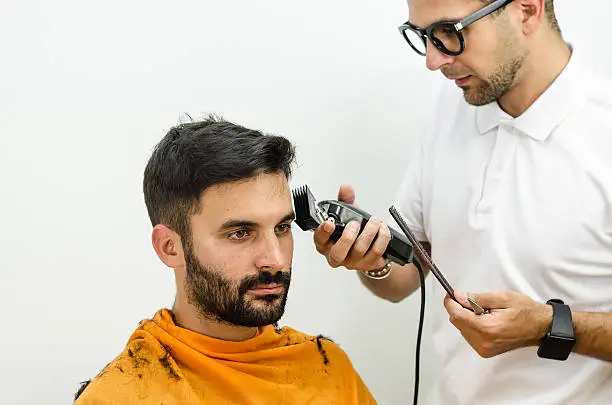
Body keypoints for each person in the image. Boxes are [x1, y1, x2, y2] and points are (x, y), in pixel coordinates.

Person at [313, 0, 612, 403]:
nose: (434, 62)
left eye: (450, 32)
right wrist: (374, 262)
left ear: (527, 11)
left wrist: (548, 326)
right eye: (422, 37)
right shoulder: (454, 105)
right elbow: (404, 280)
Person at [74, 116, 376, 404]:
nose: (273, 259)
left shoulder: (328, 370)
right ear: (170, 247)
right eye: (240, 233)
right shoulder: (123, 394)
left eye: (282, 227)